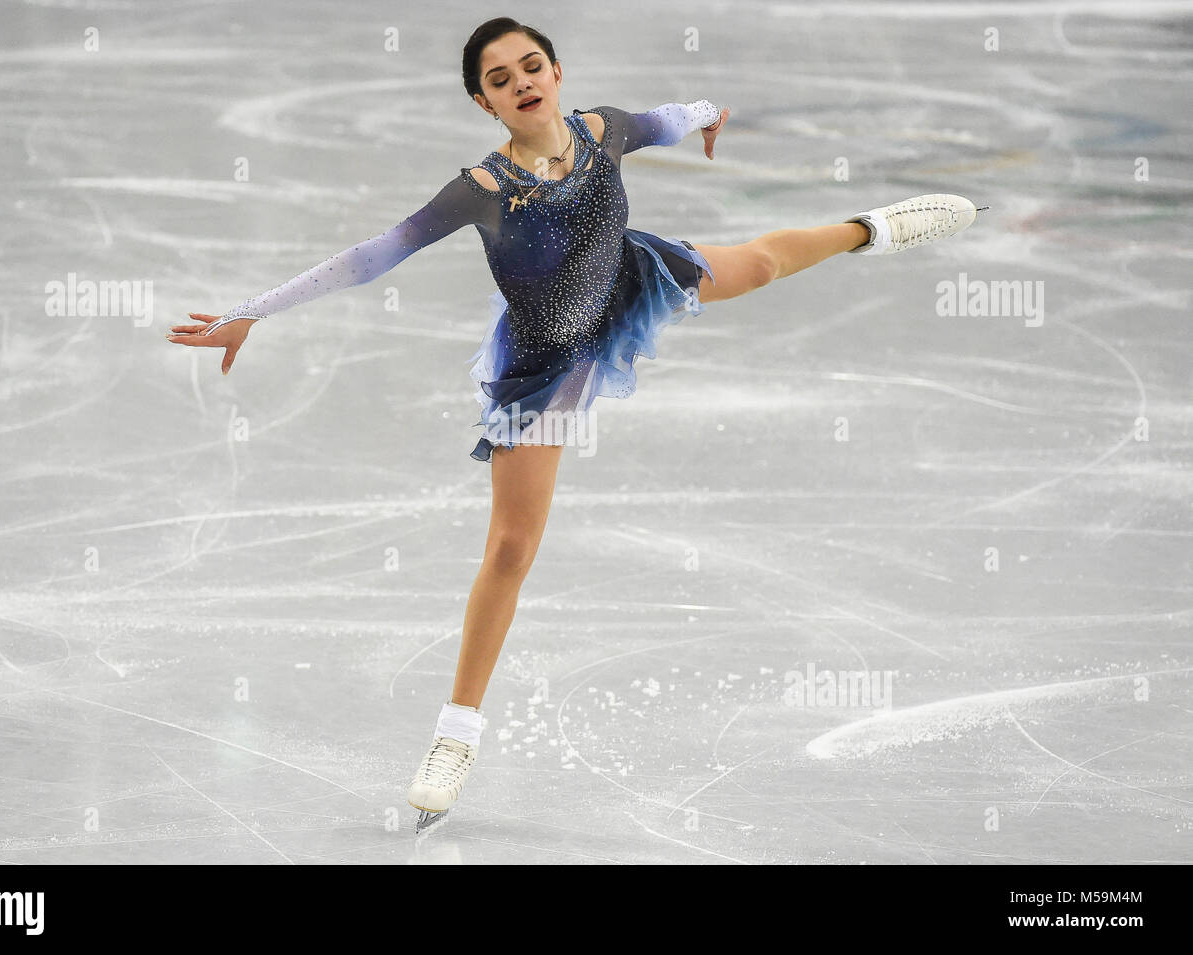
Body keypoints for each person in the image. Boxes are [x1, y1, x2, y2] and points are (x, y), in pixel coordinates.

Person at [167, 17, 983, 831]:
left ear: (557, 72)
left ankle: (873, 229)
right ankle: (456, 734)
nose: (522, 82)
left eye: (532, 66)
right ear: (484, 103)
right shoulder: (479, 192)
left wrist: (707, 110)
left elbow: (667, 118)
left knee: (762, 262)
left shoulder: (603, 131)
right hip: (542, 366)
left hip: (629, 283)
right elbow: (371, 255)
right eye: (499, 78)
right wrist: (251, 313)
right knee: (513, 547)